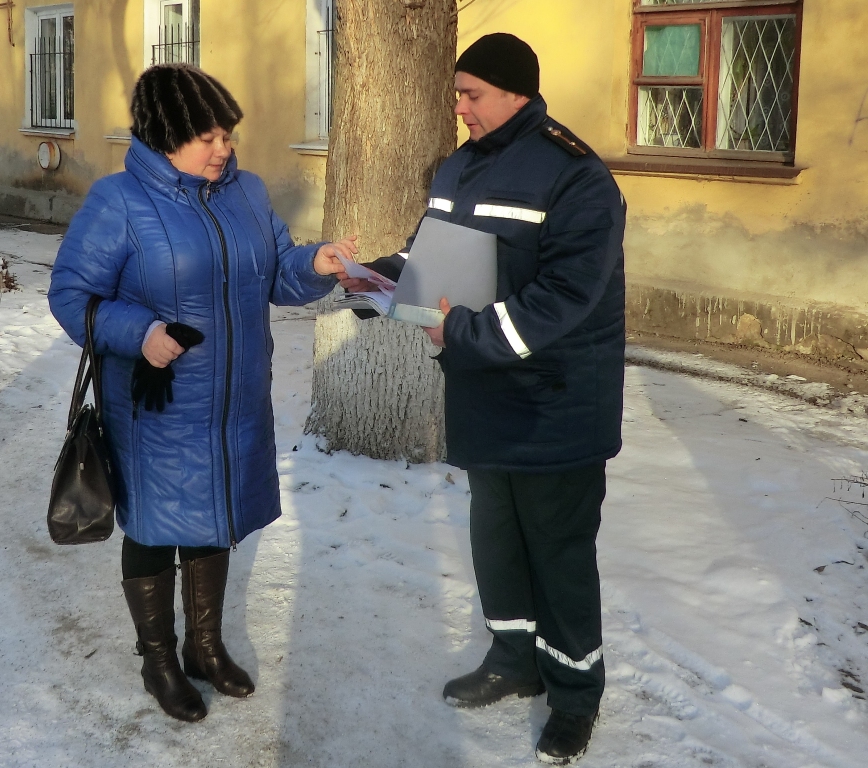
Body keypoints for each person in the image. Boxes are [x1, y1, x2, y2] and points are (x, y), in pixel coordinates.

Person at [343, 34, 625, 764]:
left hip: (554, 402)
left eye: (471, 93)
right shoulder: (459, 167)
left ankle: (573, 696)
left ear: (514, 93)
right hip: (482, 395)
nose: (458, 106)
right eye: (457, 93)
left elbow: (564, 298)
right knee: (496, 539)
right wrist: (373, 281)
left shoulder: (577, 178)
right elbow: (426, 256)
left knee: (558, 554)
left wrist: (459, 333)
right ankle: (512, 660)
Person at [48, 63, 356, 723]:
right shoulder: (119, 201)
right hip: (159, 407)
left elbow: (278, 274)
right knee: (158, 528)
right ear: (164, 136)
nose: (224, 149)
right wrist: (141, 331)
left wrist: (317, 263)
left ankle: (205, 649)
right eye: (207, 137)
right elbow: (72, 296)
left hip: (234, 401)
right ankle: (159, 658)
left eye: (227, 135)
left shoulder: (244, 192)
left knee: (214, 518)